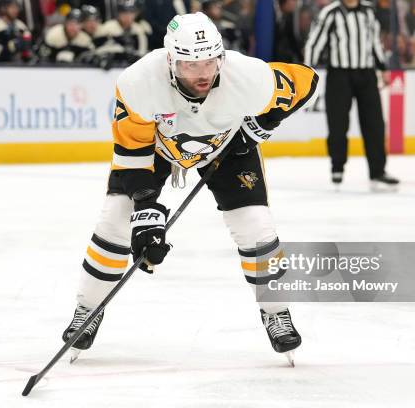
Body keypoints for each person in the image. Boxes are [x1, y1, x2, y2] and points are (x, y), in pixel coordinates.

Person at [61, 12, 320, 363]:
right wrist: (146, 210)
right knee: (115, 223)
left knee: (256, 227)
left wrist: (260, 124)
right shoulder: (139, 81)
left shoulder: (248, 76)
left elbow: (305, 81)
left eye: (210, 62)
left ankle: (276, 311)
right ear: (170, 60)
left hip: (229, 148)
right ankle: (87, 309)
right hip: (157, 149)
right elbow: (132, 154)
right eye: (189, 65)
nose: (202, 73)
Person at [303, 0, 399, 191]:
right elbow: (315, 42)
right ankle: (337, 167)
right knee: (338, 123)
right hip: (339, 75)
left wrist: (383, 68)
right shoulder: (330, 13)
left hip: (367, 74)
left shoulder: (369, 12)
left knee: (375, 124)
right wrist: (307, 72)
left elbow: (375, 42)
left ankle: (378, 171)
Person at [93, 0, 149, 66]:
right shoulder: (107, 27)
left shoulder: (139, 29)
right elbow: (97, 49)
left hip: (133, 66)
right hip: (110, 66)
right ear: (119, 14)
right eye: (125, 13)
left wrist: (136, 56)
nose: (128, 16)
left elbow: (142, 51)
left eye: (131, 13)